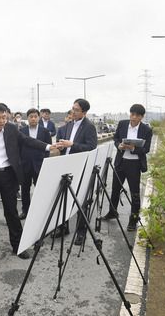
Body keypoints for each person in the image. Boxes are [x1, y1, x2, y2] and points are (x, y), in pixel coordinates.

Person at [0, 103, 53, 259]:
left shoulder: (11, 130)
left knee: (12, 212)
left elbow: (28, 141)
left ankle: (18, 245)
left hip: (9, 175)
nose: (2, 120)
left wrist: (48, 147)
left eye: (4, 117)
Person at [101, 104, 153, 231]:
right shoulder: (123, 124)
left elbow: (146, 149)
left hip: (134, 165)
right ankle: (113, 212)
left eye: (136, 115)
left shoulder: (146, 130)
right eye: (132, 114)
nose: (133, 117)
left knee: (134, 193)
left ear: (141, 117)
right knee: (115, 189)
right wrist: (119, 145)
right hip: (121, 162)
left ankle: (133, 220)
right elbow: (116, 138)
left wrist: (133, 148)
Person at [55, 99, 98, 244]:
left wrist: (72, 144)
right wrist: (61, 146)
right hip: (65, 166)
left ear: (84, 112)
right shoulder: (67, 126)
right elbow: (63, 145)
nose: (73, 112)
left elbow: (91, 147)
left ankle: (81, 232)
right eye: (72, 108)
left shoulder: (89, 127)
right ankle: (63, 227)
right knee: (63, 199)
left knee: (81, 201)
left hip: (80, 167)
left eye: (77, 110)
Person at [19, 108, 52, 220]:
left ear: (39, 117)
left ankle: (40, 211)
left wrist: (45, 162)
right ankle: (25, 210)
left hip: (39, 165)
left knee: (40, 189)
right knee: (24, 190)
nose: (33, 118)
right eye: (31, 116)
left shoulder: (45, 131)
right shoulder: (22, 131)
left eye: (35, 116)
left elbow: (48, 148)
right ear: (27, 118)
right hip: (25, 165)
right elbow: (19, 148)